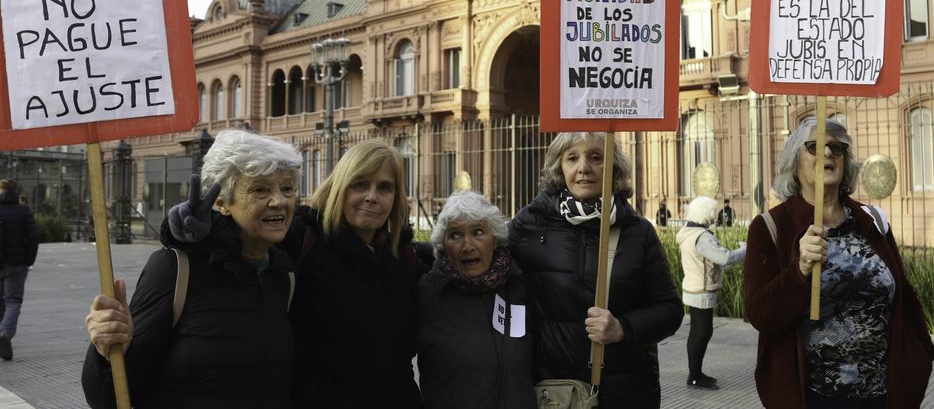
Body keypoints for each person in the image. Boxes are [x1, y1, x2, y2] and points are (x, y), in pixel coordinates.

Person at [165, 138, 424, 408]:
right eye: (360, 184)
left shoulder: (404, 258)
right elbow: (241, 232)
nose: (372, 196)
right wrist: (185, 228)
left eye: (385, 187)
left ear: (395, 198)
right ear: (339, 187)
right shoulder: (302, 236)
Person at [81, 129, 301, 408]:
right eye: (260, 189)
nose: (279, 200)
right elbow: (109, 397)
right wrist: (106, 349)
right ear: (220, 202)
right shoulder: (175, 269)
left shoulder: (285, 276)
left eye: (287, 188)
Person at [743, 118, 934, 409]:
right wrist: (800, 270)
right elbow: (760, 314)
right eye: (815, 146)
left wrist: (921, 356)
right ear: (795, 161)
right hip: (815, 399)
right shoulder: (771, 226)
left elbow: (905, 298)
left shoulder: (872, 221)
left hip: (884, 398)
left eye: (837, 147)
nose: (828, 153)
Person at [509, 132, 682, 409]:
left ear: (613, 166)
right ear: (559, 167)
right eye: (572, 158)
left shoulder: (638, 232)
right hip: (554, 394)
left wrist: (623, 328)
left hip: (626, 392)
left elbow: (671, 310)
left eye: (596, 157)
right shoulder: (529, 225)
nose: (583, 168)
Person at [418, 191, 535, 409]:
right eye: (455, 235)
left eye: (478, 232)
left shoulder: (518, 287)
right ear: (443, 245)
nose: (467, 245)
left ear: (495, 240)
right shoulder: (427, 293)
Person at [677, 195, 745, 390]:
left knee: (698, 331)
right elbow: (724, 258)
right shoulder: (702, 237)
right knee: (702, 332)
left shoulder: (688, 232)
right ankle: (695, 376)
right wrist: (745, 250)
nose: (715, 216)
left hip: (693, 286)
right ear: (705, 214)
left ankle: (696, 373)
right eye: (712, 212)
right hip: (702, 290)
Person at [0, 179, 40, 361]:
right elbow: (33, 238)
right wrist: (28, 260)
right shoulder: (23, 211)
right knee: (13, 300)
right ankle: (6, 333)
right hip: (16, 264)